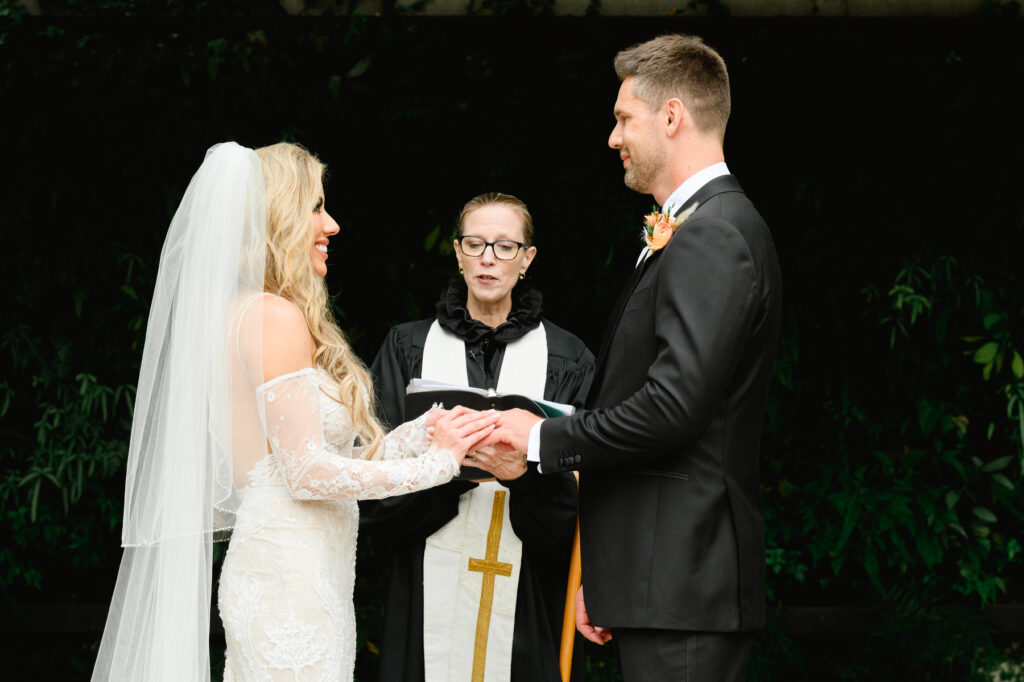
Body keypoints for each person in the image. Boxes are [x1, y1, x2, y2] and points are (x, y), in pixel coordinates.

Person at [91, 141, 498, 682]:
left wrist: (424, 432)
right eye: (315, 207)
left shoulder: (246, 314)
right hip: (290, 581)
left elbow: (308, 456)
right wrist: (438, 466)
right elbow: (305, 473)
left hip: (304, 574)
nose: (332, 224)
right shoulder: (272, 317)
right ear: (278, 217)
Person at [475, 35, 783, 681]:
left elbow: (673, 409)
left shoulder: (714, 234)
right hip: (657, 584)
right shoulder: (697, 226)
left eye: (623, 118)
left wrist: (542, 439)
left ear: (671, 116)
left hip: (685, 584)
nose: (613, 138)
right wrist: (612, 583)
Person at [362, 192, 594, 682]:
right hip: (422, 582)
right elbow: (371, 493)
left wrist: (523, 477)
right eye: (475, 243)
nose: (488, 257)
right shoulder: (407, 349)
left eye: (505, 246)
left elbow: (584, 508)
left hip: (527, 589)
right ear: (457, 251)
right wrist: (453, 469)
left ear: (527, 259)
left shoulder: (569, 360)